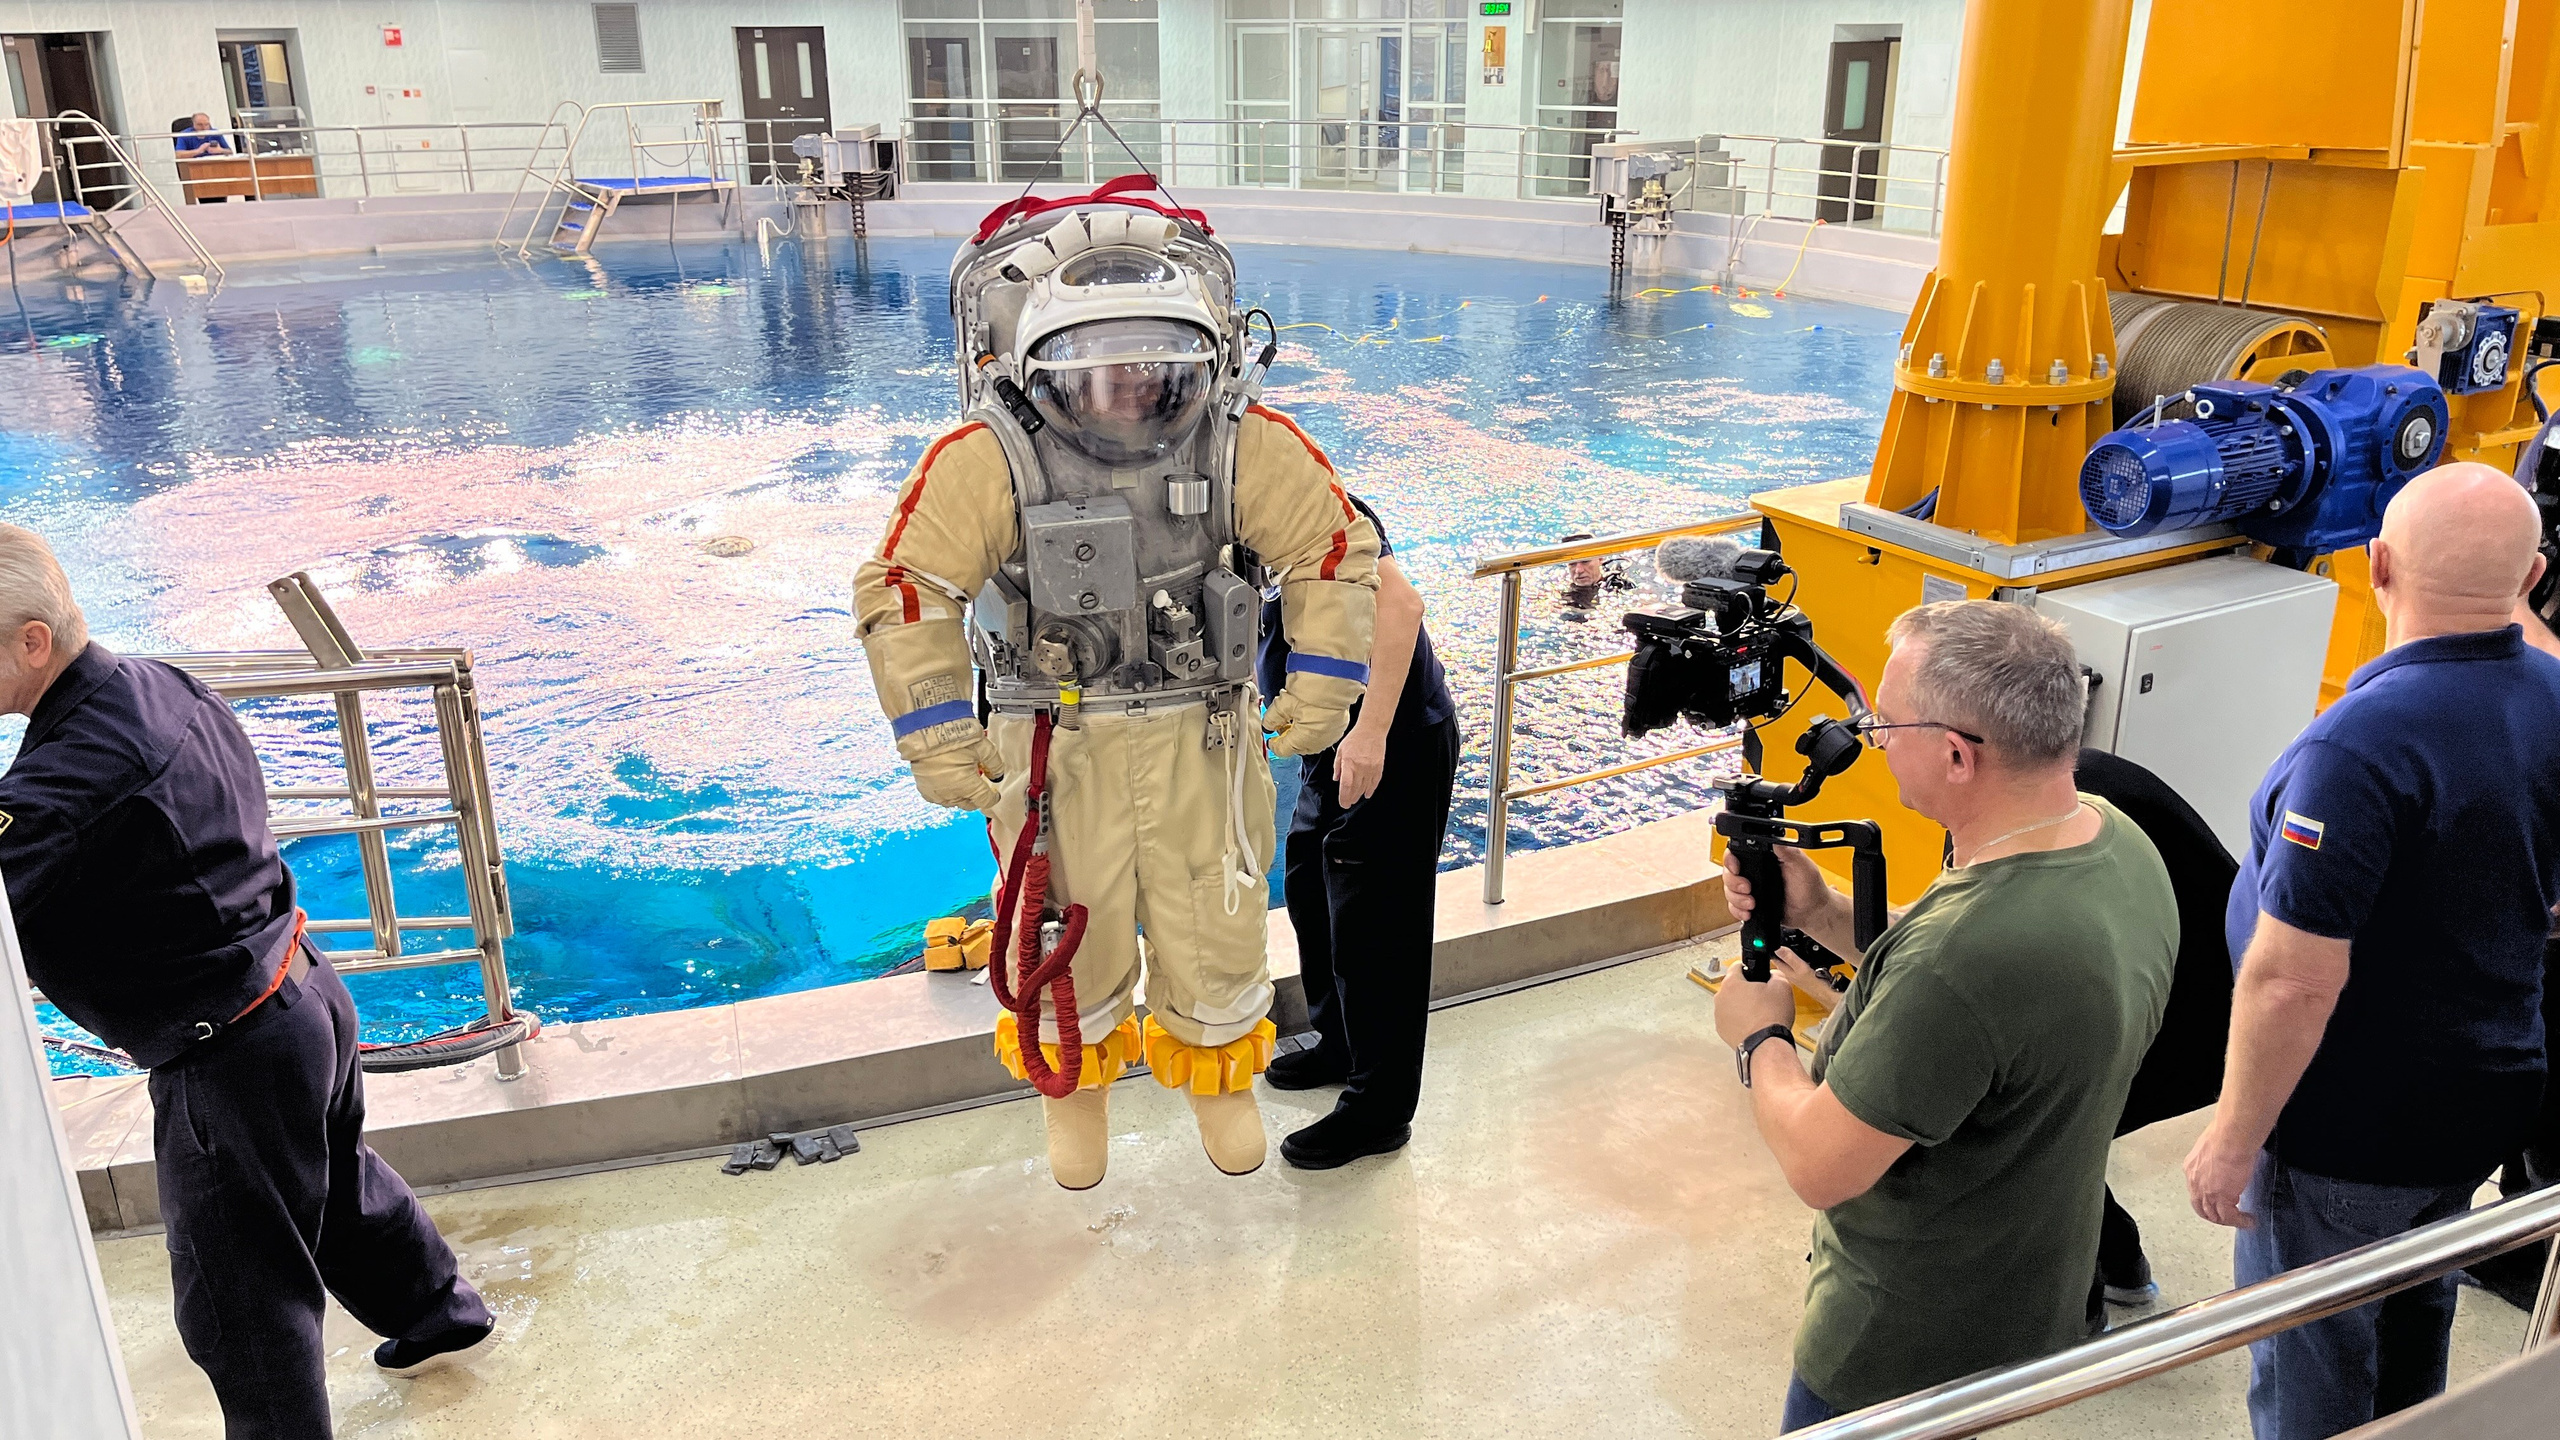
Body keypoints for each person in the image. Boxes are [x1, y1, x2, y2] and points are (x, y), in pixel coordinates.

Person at [856, 193, 1377, 1190]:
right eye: (1098, 368)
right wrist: (932, 734)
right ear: (1039, 363)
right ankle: (1076, 1093)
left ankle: (1218, 1075)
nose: (1130, 387)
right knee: (1058, 918)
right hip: (1054, 738)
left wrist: (1322, 683)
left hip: (1205, 733)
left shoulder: (1240, 442)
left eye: (1154, 367)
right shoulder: (990, 459)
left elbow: (1332, 544)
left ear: (1203, 357)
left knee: (1213, 907)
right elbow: (907, 583)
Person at [0, 525, 492, 1438]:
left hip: (228, 1051)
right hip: (303, 991)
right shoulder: (157, 683)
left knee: (240, 1305)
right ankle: (442, 1314)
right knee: (339, 1184)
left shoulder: (61, 780)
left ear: (32, 641)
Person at [1713, 598, 2177, 1429]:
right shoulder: (2115, 841)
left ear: (1958, 756)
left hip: (1898, 1347)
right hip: (2031, 1299)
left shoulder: (1963, 957)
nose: (1876, 740)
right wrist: (1820, 911)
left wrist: (1759, 1035)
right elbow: (1983, 1017)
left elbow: (1821, 1164)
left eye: (1888, 724)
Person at [2183, 461, 2560, 1440]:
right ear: (2532, 579)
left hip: (2347, 1127)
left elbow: (2291, 980)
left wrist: (2232, 1138)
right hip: (2482, 1092)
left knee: (2309, 1352)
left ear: (2378, 564)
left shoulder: (2359, 747)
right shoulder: (2549, 697)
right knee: (2414, 1306)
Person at [1263, 491, 1459, 1169]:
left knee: (1379, 933)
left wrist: (1371, 735)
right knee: (1310, 890)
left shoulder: (1319, 504)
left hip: (1390, 742)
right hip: (1330, 742)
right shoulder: (1225, 516)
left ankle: (1379, 1110)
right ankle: (1342, 1043)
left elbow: (1401, 607)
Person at [2074, 748, 2238, 1319]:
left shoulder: (2075, 816)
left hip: (2206, 1019)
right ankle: (2121, 1266)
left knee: (2033, 1121)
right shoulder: (2069, 779)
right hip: (2195, 997)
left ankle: (2082, 1304)